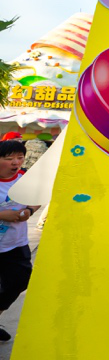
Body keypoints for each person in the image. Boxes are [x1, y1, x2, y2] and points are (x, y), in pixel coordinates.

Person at [0, 138, 32, 344]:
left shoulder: (26, 178)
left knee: (21, 280)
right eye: (9, 158)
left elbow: (37, 199)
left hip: (16, 244)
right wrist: (3, 215)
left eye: (20, 157)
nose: (16, 162)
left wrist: (29, 211)